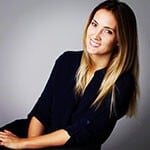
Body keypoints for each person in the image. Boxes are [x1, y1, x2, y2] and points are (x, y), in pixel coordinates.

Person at [0, 0, 139, 149]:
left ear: (120, 40)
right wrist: (29, 144)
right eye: (94, 24)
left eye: (108, 31)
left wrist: (24, 144)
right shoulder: (67, 60)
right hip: (35, 136)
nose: (95, 35)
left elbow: (80, 131)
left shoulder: (122, 83)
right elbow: (42, 111)